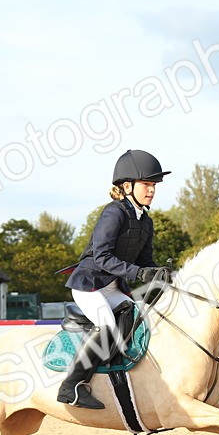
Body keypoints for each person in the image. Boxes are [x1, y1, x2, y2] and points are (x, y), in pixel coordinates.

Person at [59, 149, 172, 409]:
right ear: (127, 185)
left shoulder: (146, 221)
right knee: (108, 326)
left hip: (112, 288)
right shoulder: (114, 212)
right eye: (147, 184)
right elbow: (101, 256)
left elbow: (145, 262)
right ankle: (71, 387)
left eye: (154, 185)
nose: (152, 190)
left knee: (140, 318)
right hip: (89, 286)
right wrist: (138, 274)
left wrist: (162, 274)